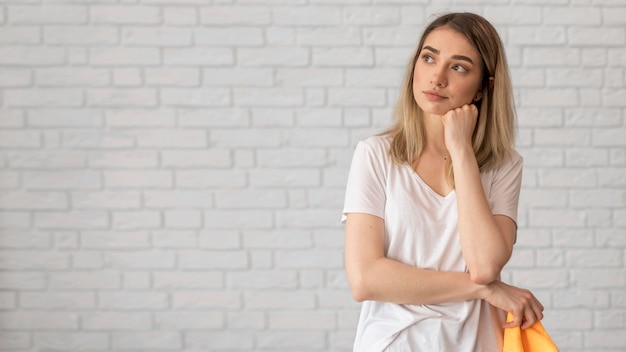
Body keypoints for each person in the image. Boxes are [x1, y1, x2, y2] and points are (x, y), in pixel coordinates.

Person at [341, 12, 545, 352]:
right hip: (395, 342)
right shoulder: (376, 155)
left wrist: (462, 151)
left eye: (459, 67)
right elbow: (365, 279)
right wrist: (484, 289)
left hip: (478, 343)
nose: (437, 77)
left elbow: (485, 265)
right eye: (429, 58)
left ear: (483, 87)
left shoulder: (504, 166)